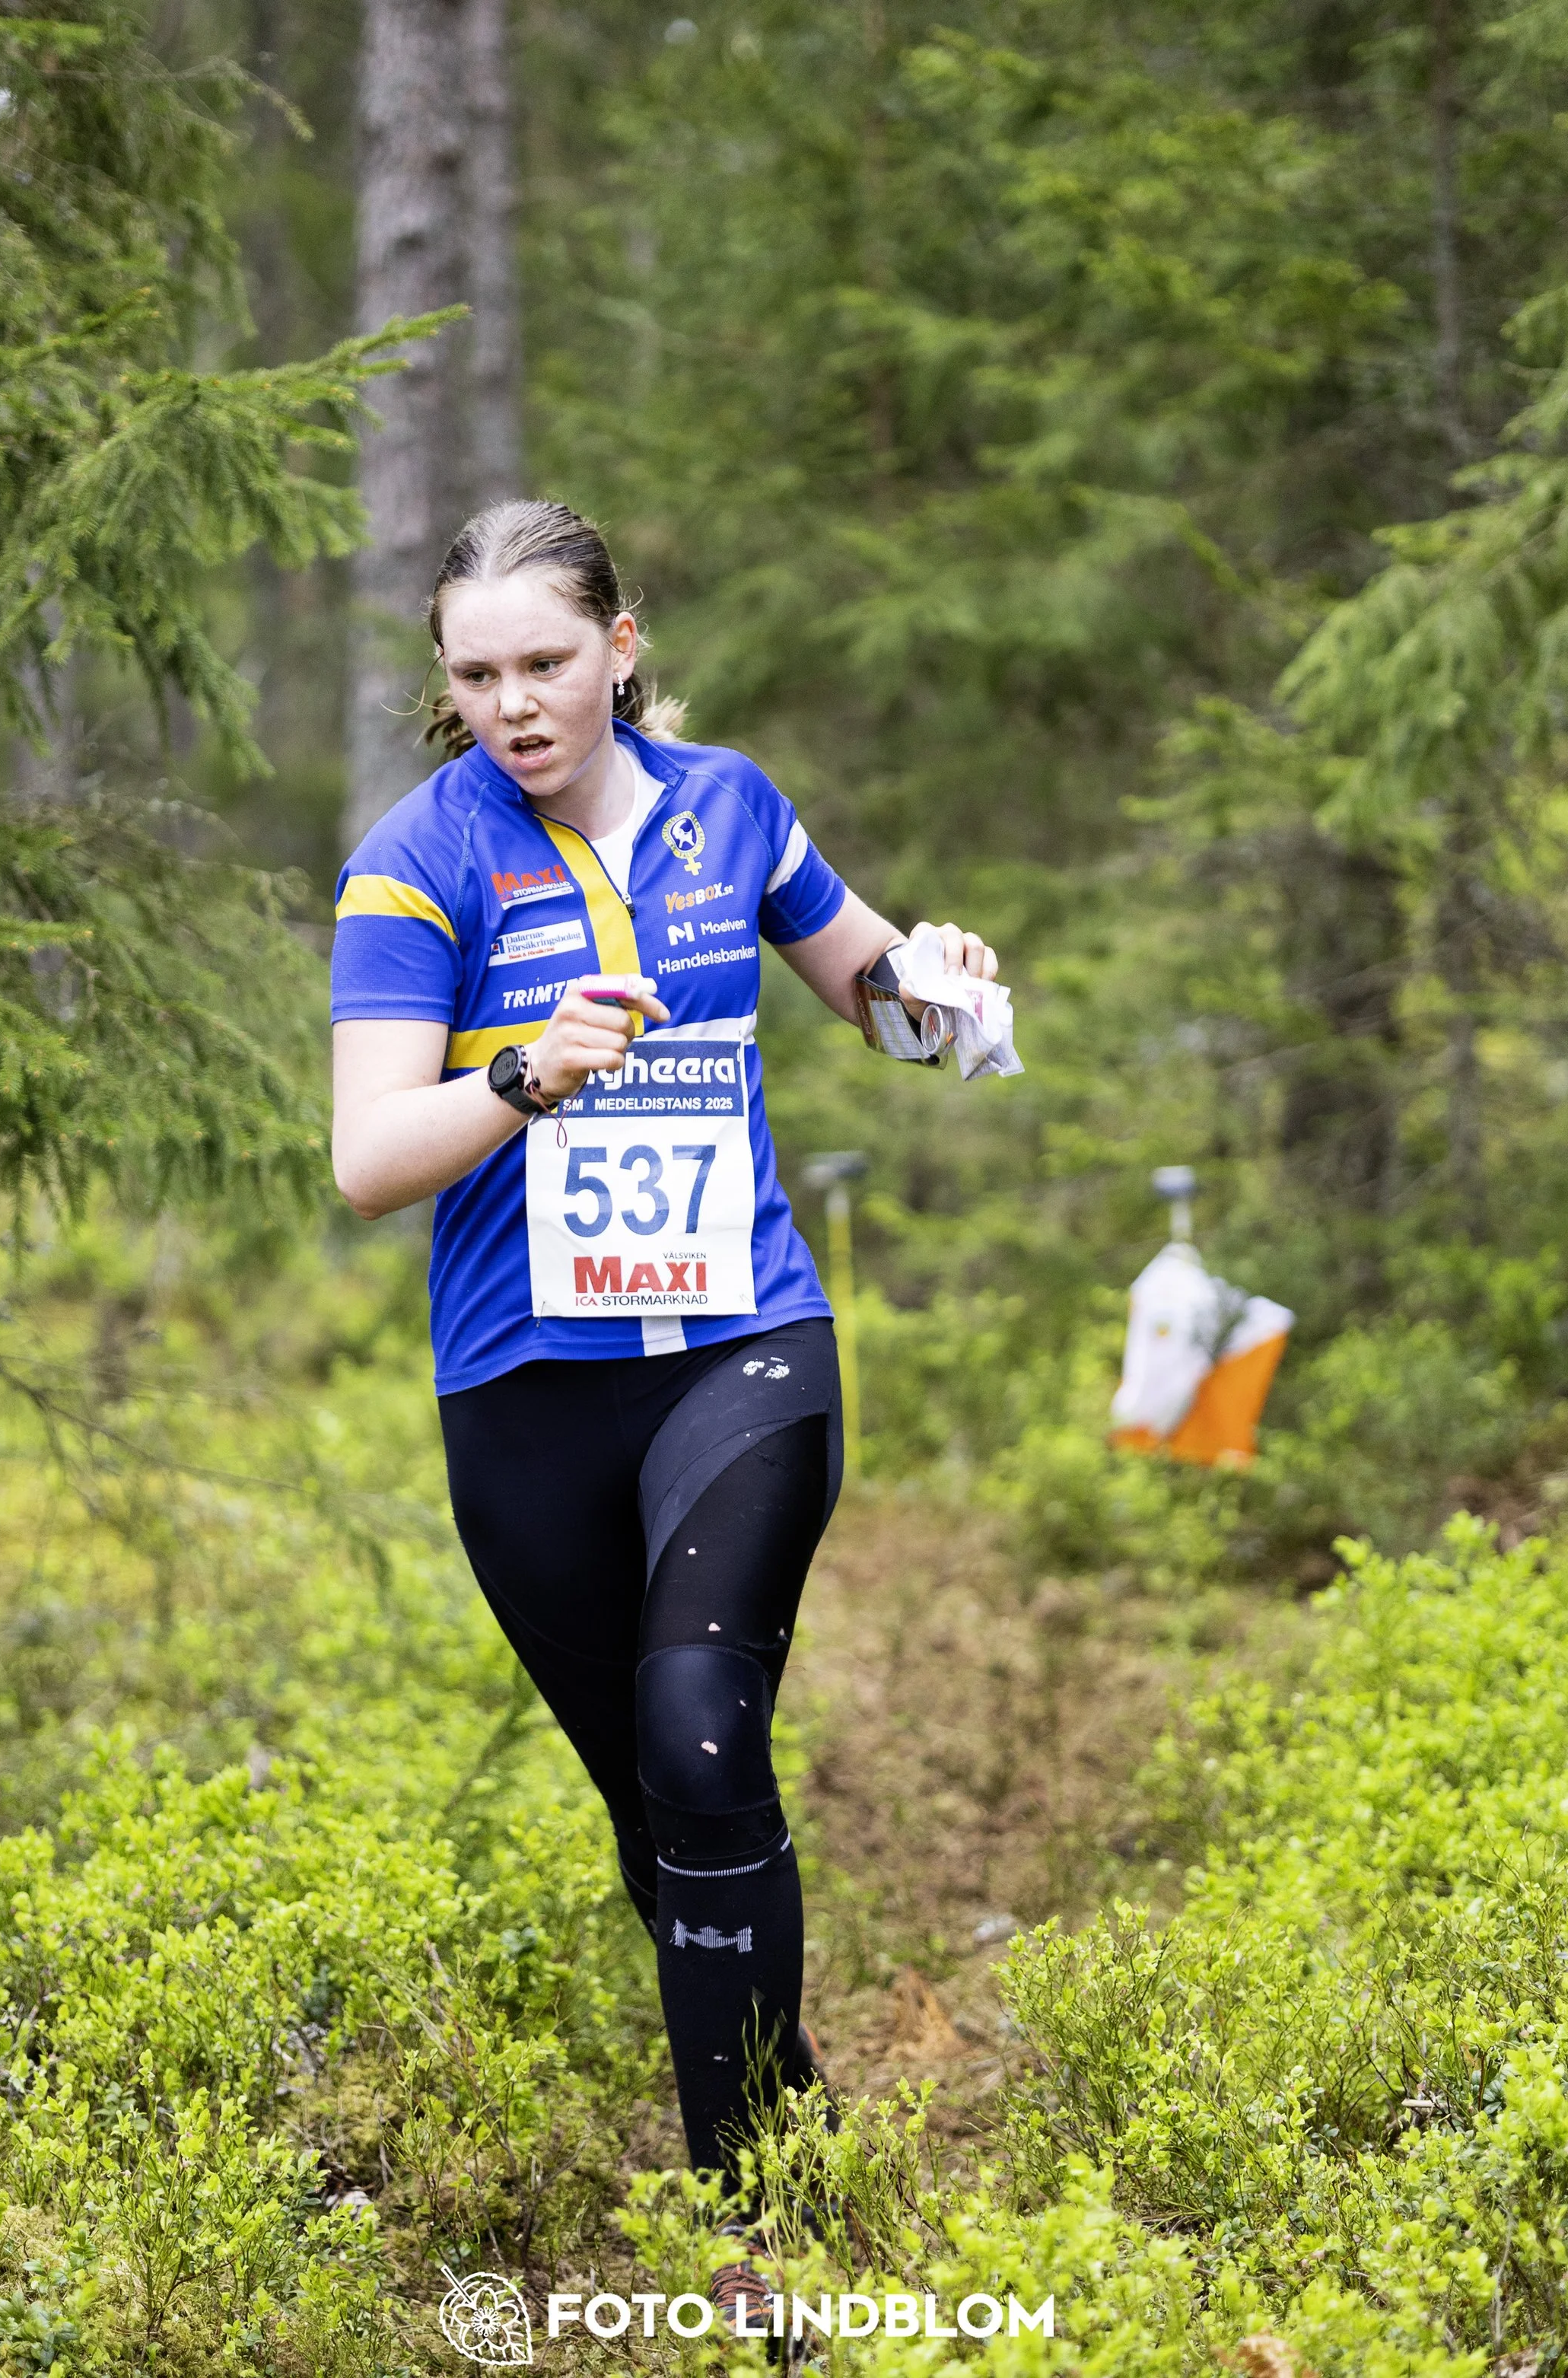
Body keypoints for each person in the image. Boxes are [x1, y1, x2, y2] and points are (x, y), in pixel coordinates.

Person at [329, 498, 1000, 2321]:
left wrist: (935, 991)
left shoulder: (732, 803)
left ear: (618, 644)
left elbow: (866, 989)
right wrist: (527, 1070)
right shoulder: (416, 860)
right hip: (529, 1389)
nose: (512, 705)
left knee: (702, 1728)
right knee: (655, 1812)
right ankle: (788, 2110)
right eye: (475, 675)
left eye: (543, 662)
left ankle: (759, 2242)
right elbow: (369, 1155)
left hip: (740, 1345)